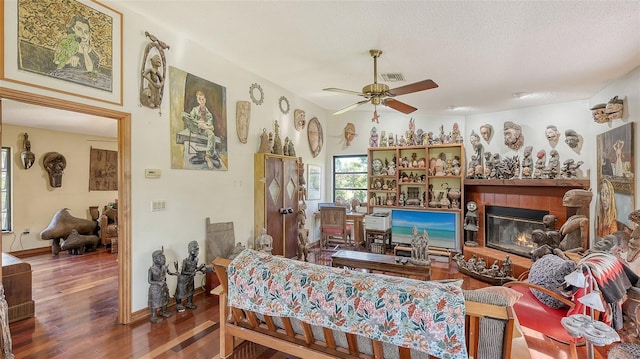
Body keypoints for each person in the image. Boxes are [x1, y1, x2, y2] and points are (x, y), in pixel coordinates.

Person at [181, 90, 219, 169]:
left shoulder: (209, 114)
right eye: (199, 99)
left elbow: (212, 127)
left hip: (204, 129)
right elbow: (190, 119)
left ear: (205, 100)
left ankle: (207, 157)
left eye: (203, 99)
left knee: (211, 134)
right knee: (183, 115)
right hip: (195, 127)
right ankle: (199, 124)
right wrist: (198, 123)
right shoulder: (195, 110)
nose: (201, 101)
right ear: (197, 100)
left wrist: (204, 126)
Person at [173, 241, 206, 312]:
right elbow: (183, 271)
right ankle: (178, 304)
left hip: (190, 278)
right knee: (180, 292)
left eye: (198, 249)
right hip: (183, 279)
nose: (198, 251)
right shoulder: (185, 261)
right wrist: (191, 273)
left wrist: (200, 270)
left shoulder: (196, 259)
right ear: (191, 251)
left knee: (190, 291)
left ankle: (189, 303)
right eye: (196, 249)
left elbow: (195, 267)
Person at [148, 249, 173, 323]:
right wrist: (158, 283)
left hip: (163, 287)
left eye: (164, 257)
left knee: (164, 300)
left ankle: (164, 311)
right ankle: (154, 316)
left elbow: (168, 273)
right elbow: (149, 281)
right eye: (161, 257)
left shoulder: (163, 267)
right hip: (155, 289)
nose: (164, 259)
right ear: (155, 259)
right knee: (155, 302)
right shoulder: (152, 269)